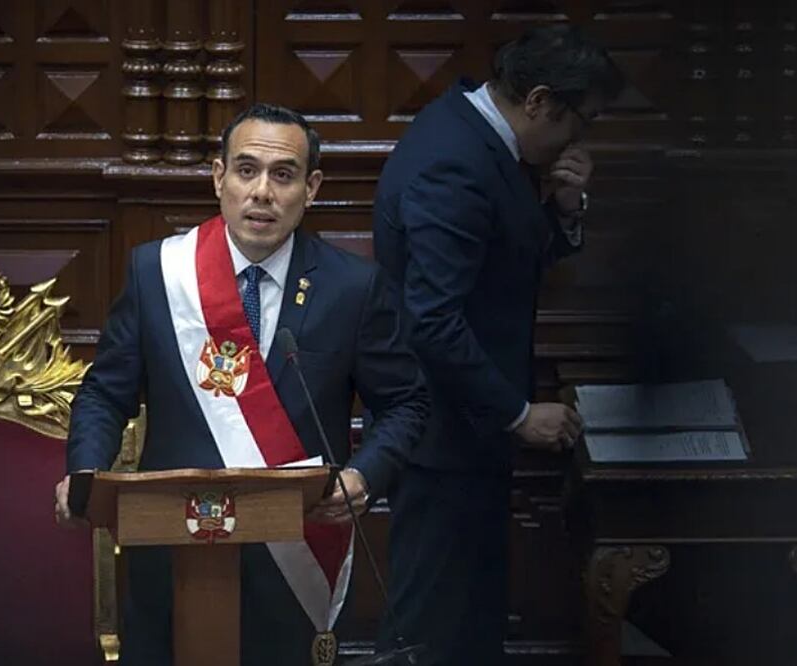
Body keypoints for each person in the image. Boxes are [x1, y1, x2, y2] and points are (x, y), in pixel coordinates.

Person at [54, 103, 429, 666]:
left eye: (283, 175)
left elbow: (404, 403)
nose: (262, 192)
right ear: (218, 177)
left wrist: (363, 474)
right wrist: (84, 474)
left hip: (294, 555)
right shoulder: (157, 273)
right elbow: (106, 394)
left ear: (312, 187)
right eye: (246, 170)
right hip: (172, 551)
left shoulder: (353, 287)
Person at [371, 24, 625, 665]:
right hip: (442, 438)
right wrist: (517, 413)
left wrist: (566, 208)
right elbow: (434, 320)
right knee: (430, 629)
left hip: (463, 433)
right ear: (540, 100)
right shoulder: (457, 160)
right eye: (580, 121)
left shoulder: (474, 135)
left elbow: (500, 257)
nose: (579, 139)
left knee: (464, 624)